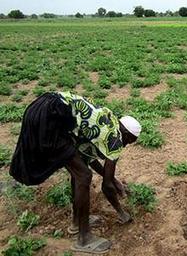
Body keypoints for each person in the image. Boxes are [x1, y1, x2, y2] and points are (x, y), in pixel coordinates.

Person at [10, 91, 141, 254]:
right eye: (129, 141)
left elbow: (88, 159)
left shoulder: (107, 121)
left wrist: (112, 178)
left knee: (79, 172)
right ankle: (84, 238)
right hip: (52, 115)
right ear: (127, 134)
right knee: (83, 176)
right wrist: (122, 213)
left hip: (41, 106)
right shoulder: (115, 139)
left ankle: (76, 223)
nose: (126, 145)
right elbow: (106, 187)